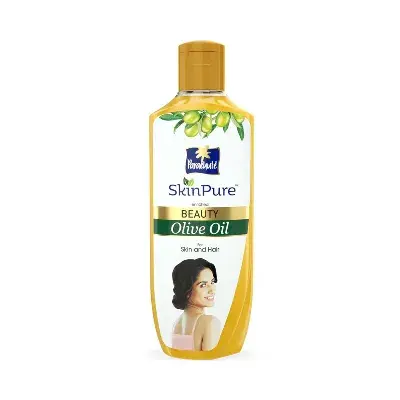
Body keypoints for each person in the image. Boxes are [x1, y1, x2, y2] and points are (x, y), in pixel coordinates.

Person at [171, 258, 221, 351]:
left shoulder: (177, 324)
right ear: (187, 290)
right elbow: (210, 359)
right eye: (203, 285)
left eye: (212, 282)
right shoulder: (209, 322)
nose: (212, 290)